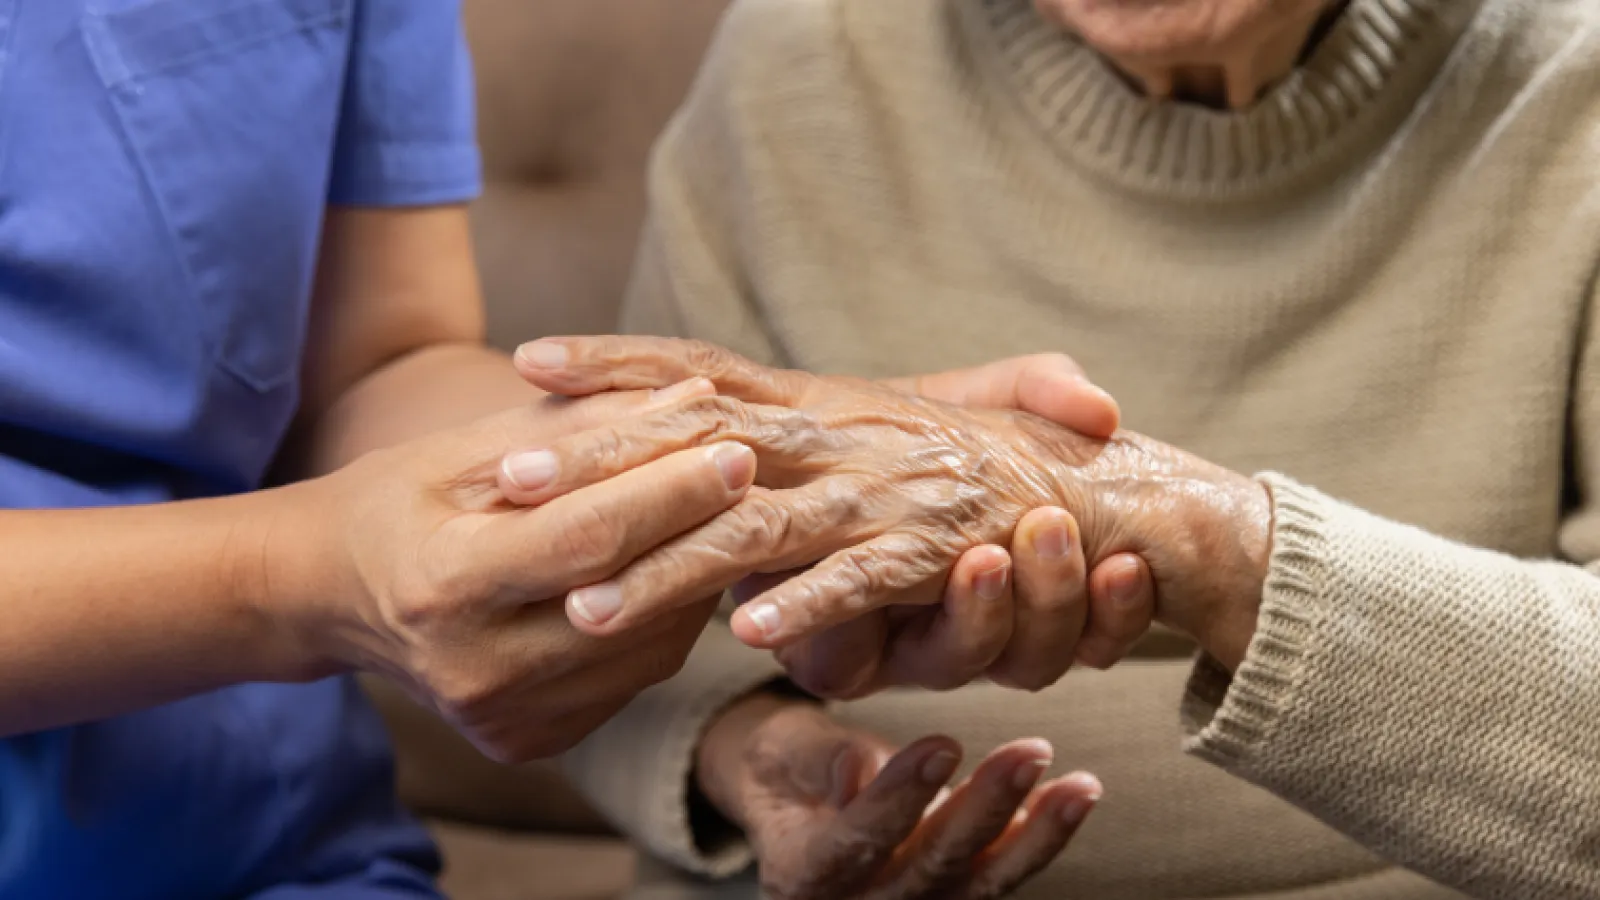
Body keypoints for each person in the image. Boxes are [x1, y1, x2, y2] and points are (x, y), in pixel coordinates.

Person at [0, 2, 1136, 897]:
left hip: (264, 845)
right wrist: (300, 578)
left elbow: (375, 365)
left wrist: (774, 443)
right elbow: (318, 554)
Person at [508, 0, 1600, 898]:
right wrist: (750, 759)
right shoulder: (800, 56)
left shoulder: (1572, 75)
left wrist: (1195, 537)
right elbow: (608, 623)